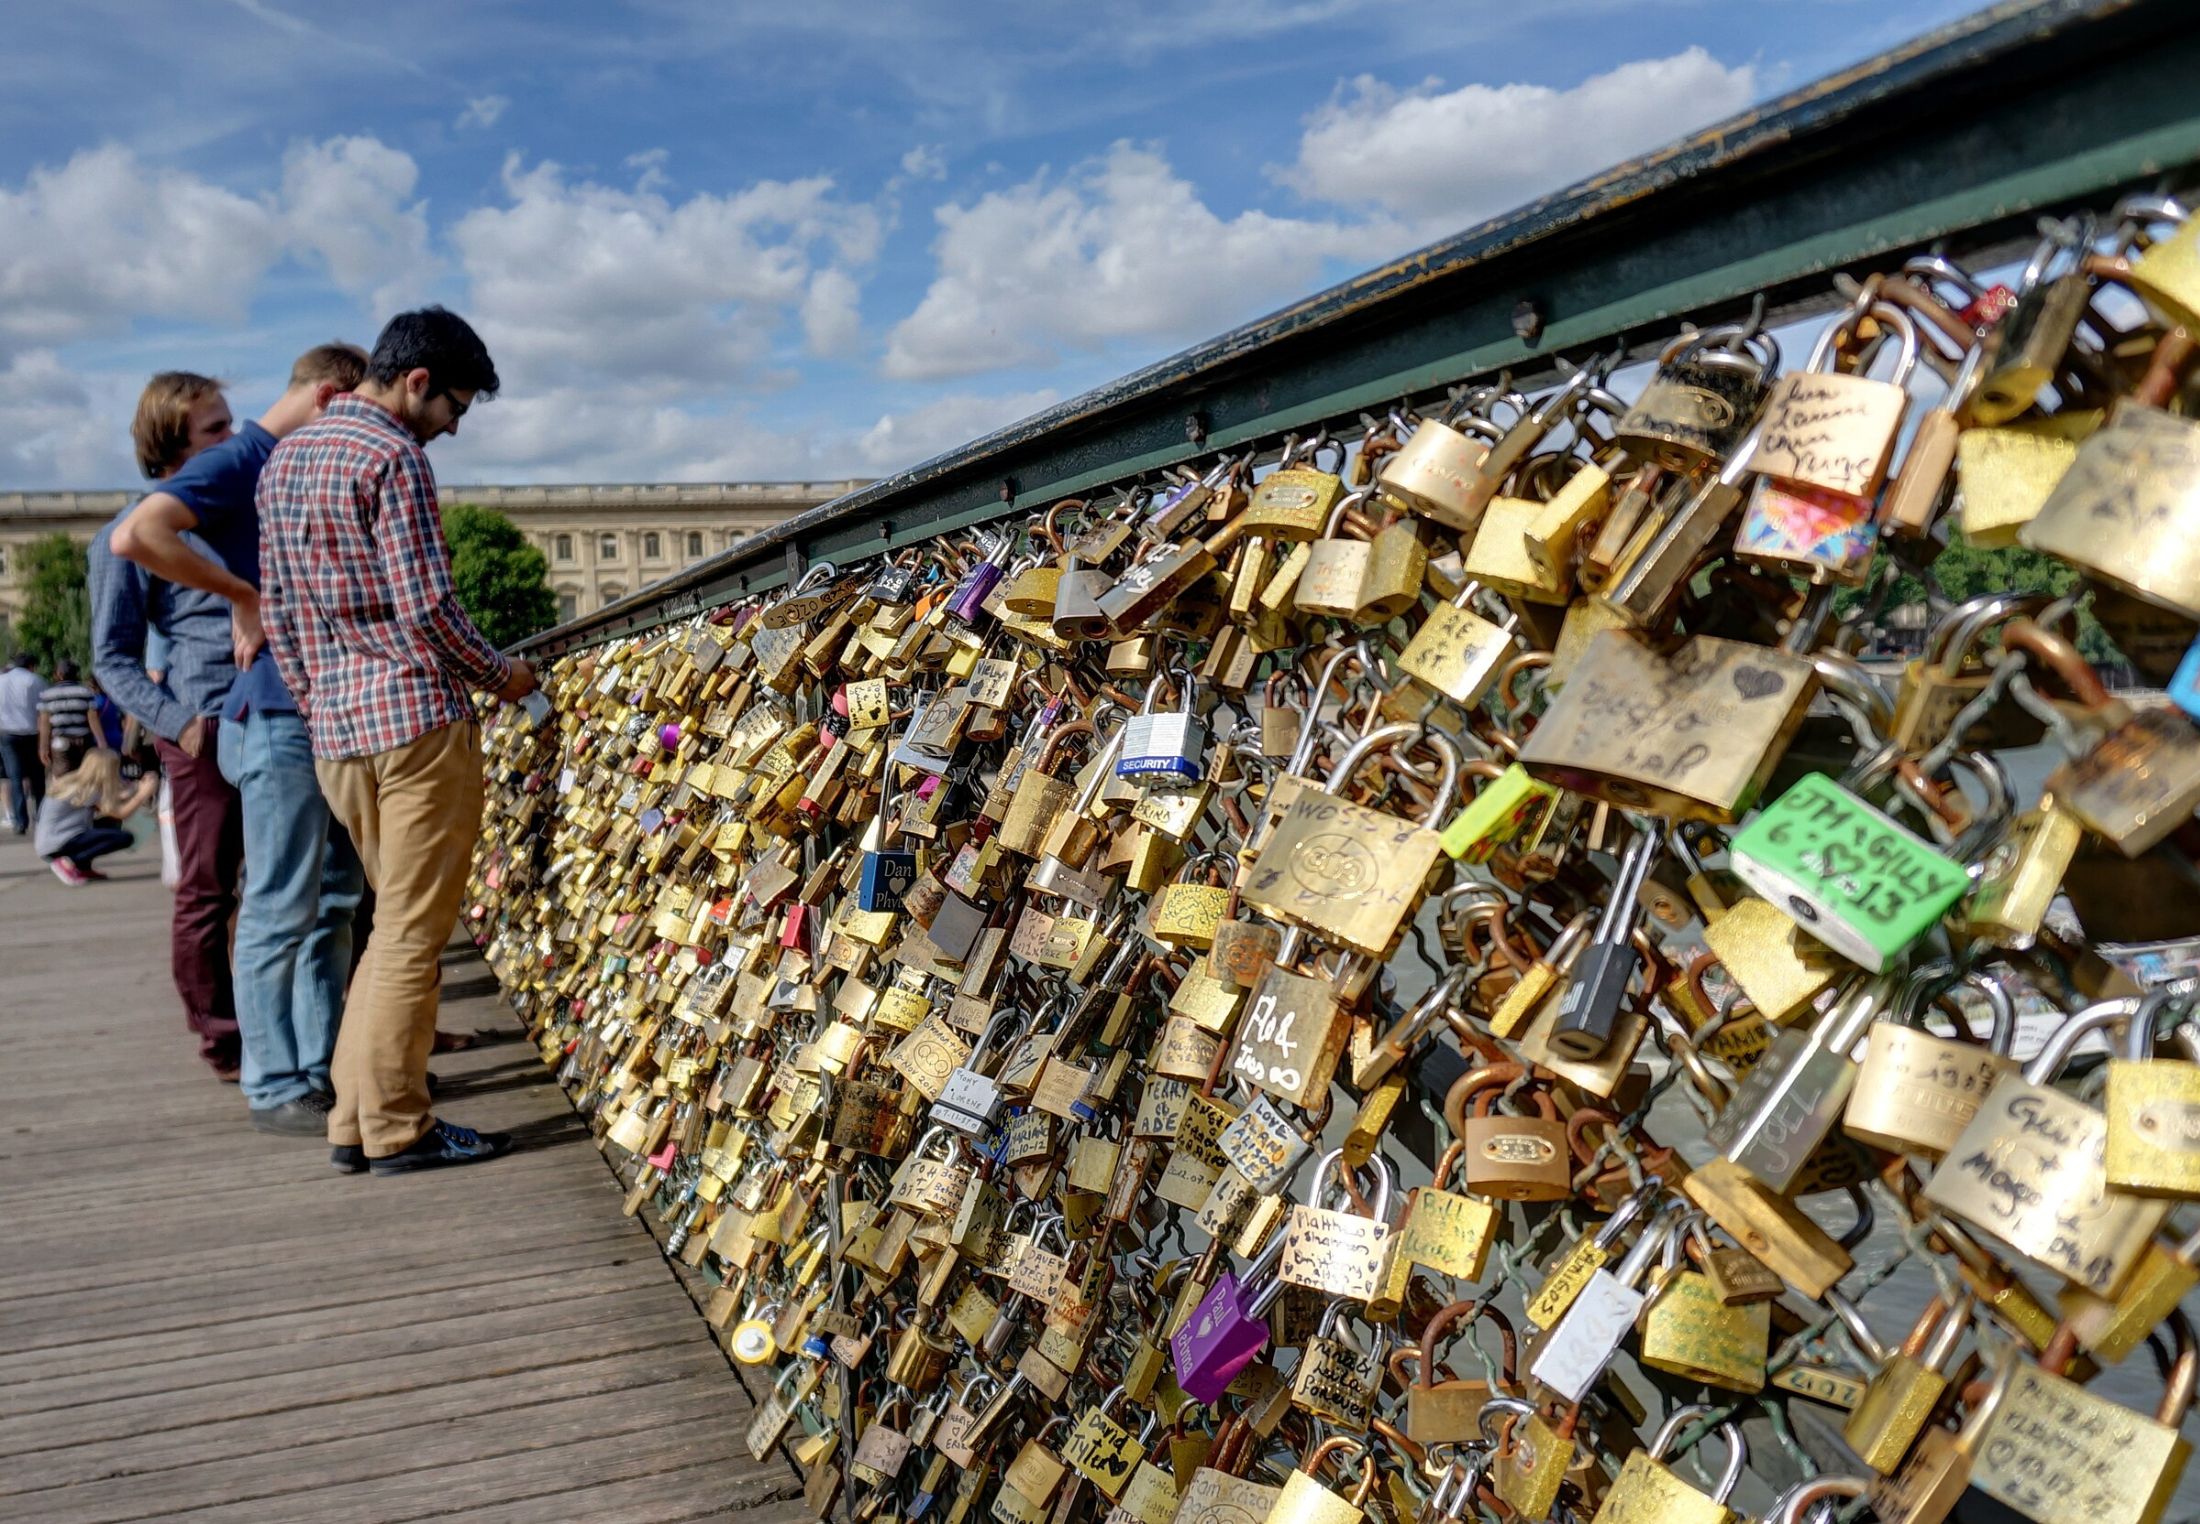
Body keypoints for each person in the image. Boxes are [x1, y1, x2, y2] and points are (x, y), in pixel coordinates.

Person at [258, 307, 538, 1176]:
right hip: (415, 724)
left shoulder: (285, 460)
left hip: (338, 736)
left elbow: (278, 615)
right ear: (417, 382)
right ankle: (397, 1127)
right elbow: (428, 610)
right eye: (455, 405)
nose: (453, 426)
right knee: (413, 934)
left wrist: (317, 708)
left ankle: (353, 1120)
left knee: (389, 931)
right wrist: (504, 677)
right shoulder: (394, 457)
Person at [112, 342, 371, 1137]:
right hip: (265, 714)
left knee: (325, 900)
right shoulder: (245, 459)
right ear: (332, 397)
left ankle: (317, 1066)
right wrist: (243, 595)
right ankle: (271, 1078)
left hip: (303, 708)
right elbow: (137, 535)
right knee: (272, 902)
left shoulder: (273, 461)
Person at [90, 370, 244, 1079]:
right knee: (209, 888)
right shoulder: (128, 531)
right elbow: (111, 659)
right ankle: (222, 1037)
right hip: (207, 723)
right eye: (215, 429)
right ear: (170, 444)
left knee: (300, 887)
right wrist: (180, 727)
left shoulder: (244, 509)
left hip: (281, 713)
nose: (233, 438)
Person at [36, 746, 156, 885]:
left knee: (109, 823)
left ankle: (82, 867)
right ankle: (70, 862)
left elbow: (113, 799)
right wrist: (142, 794)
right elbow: (120, 813)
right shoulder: (87, 789)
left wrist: (136, 787)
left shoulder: (75, 782)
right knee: (125, 837)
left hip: (52, 841)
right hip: (59, 843)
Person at [0, 653, 46, 833]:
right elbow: (43, 710)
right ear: (31, 665)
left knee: (15, 777)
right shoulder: (35, 680)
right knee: (37, 777)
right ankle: (41, 816)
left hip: (7, 735)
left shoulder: (1, 680)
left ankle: (20, 822)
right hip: (31, 733)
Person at [36, 659, 97, 781]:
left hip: (60, 740)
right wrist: (101, 742)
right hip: (82, 740)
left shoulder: (47, 694)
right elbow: (93, 719)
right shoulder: (86, 692)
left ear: (58, 674)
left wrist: (43, 746)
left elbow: (44, 723)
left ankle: (64, 798)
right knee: (83, 775)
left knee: (61, 777)